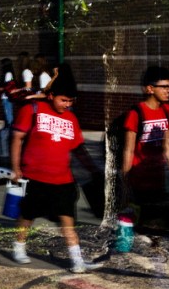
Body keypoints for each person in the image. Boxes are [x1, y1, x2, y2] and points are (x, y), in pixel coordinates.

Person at [10, 68, 103, 273]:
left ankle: (77, 261)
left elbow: (78, 148)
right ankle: (18, 246)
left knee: (67, 220)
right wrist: (15, 168)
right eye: (63, 100)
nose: (67, 105)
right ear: (51, 96)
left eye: (71, 101)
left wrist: (93, 169)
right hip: (34, 176)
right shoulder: (33, 109)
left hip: (63, 180)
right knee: (27, 215)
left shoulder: (71, 119)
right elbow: (17, 138)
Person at [120, 65, 169, 289]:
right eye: (164, 86)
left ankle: (157, 275)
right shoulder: (136, 113)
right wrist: (124, 181)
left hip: (157, 181)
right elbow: (128, 150)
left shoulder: (167, 112)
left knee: (153, 230)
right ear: (149, 88)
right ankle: (156, 275)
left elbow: (168, 147)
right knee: (141, 228)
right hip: (137, 180)